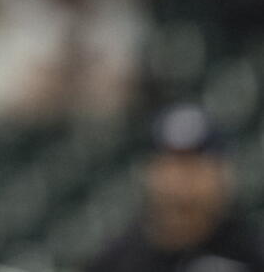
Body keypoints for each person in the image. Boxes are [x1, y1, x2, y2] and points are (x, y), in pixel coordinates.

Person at [87, 103, 264, 271]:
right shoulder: (118, 260)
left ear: (222, 174)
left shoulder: (249, 252)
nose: (179, 183)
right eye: (171, 165)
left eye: (193, 166)